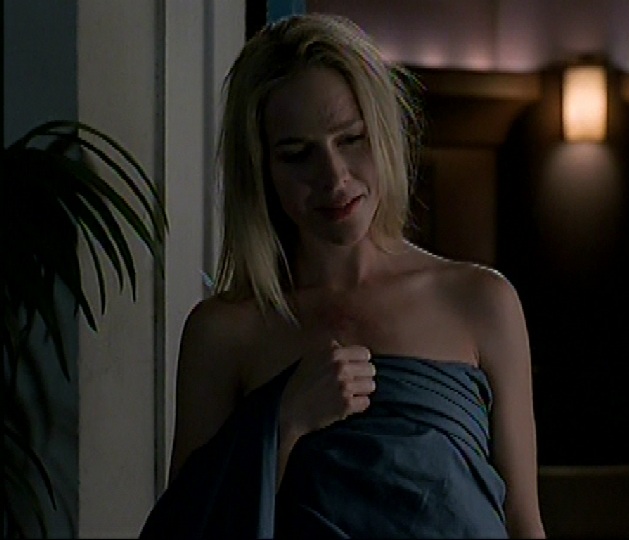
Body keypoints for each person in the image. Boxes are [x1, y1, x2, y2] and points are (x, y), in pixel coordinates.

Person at [140, 12, 546, 539]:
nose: (333, 178)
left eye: (351, 139)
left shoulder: (481, 302)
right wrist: (283, 423)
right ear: (261, 170)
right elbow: (187, 528)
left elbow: (523, 521)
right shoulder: (226, 333)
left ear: (385, 135)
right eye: (297, 155)